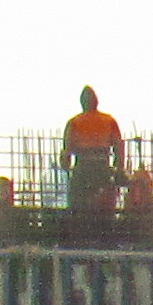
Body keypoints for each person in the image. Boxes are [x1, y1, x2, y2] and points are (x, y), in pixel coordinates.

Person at [61, 86, 126, 217]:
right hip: (102, 169)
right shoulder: (109, 121)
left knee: (78, 209)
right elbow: (119, 148)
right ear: (96, 101)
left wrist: (66, 167)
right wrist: (119, 170)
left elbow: (66, 152)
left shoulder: (74, 122)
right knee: (105, 209)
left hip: (82, 170)